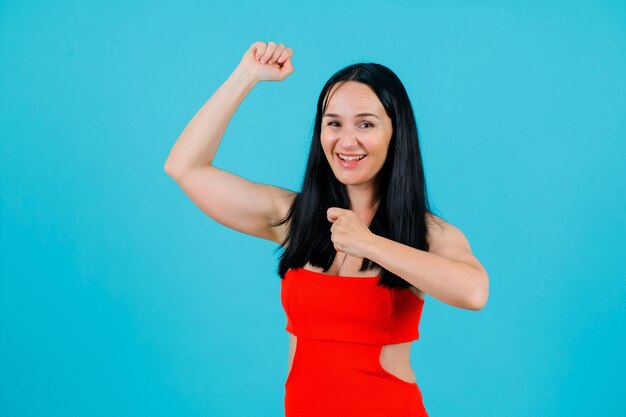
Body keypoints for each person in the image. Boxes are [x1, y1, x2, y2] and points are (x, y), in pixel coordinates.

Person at [164, 40, 489, 417]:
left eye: (365, 124)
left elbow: (474, 291)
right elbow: (185, 167)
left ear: (395, 133)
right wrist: (246, 76)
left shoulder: (425, 232)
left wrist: (370, 244)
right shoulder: (295, 218)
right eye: (333, 123)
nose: (346, 141)